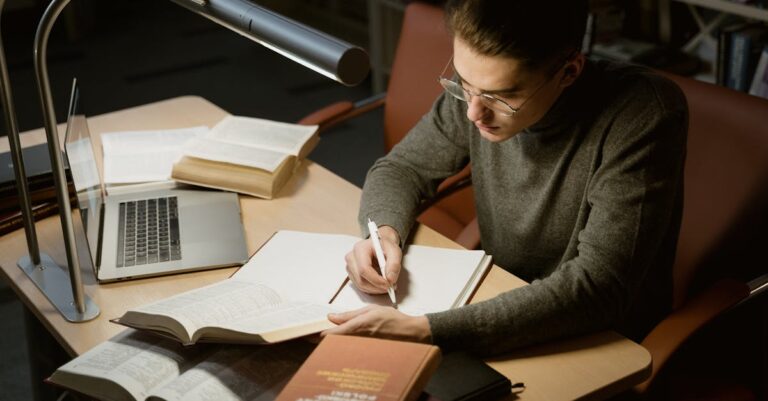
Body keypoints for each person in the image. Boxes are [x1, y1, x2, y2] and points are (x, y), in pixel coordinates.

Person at [322, 0, 687, 355]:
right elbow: (401, 168)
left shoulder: (641, 114)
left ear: (569, 72)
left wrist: (428, 330)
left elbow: (599, 288)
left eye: (501, 97)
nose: (473, 113)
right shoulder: (476, 92)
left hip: (595, 338)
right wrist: (383, 231)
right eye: (463, 83)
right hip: (495, 297)